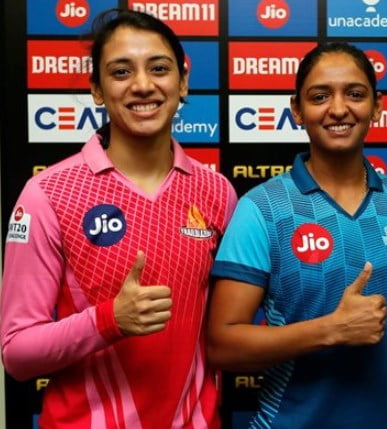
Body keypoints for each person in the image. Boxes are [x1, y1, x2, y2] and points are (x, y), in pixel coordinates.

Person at [0, 9, 236, 429]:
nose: (143, 85)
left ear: (182, 82)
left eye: (159, 68)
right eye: (121, 71)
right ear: (96, 88)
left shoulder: (217, 191)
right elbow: (17, 353)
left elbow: (228, 330)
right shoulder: (48, 194)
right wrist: (108, 321)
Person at [208, 41, 387, 428]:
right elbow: (223, 346)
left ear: (377, 106)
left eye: (355, 94)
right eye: (320, 96)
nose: (338, 109)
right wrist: (332, 330)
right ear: (297, 109)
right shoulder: (262, 208)